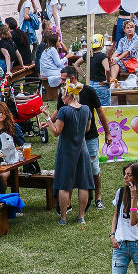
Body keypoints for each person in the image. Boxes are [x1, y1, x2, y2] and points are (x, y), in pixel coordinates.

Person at [40, 82, 96, 225]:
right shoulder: (86, 109)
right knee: (83, 183)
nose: (61, 98)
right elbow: (87, 129)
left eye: (62, 95)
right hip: (82, 149)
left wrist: (47, 117)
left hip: (67, 150)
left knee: (64, 184)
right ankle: (81, 216)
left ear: (69, 96)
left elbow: (56, 132)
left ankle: (63, 218)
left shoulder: (64, 111)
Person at [56, 66, 110, 209]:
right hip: (71, 139)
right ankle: (67, 203)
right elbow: (59, 111)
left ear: (72, 78)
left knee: (93, 168)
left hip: (89, 138)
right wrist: (48, 120)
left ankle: (98, 198)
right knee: (71, 169)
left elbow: (100, 112)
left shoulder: (89, 91)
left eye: (63, 79)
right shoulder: (63, 93)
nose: (61, 82)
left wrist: (108, 132)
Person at [109, 21, 138, 85]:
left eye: (131, 27)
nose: (130, 29)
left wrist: (117, 59)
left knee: (116, 62)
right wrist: (113, 57)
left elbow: (128, 51)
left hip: (134, 62)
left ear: (134, 29)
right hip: (125, 61)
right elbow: (118, 51)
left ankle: (113, 81)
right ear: (124, 30)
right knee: (112, 62)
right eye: (127, 28)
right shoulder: (122, 40)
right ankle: (113, 81)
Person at [86, 34, 111, 106]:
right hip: (101, 85)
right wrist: (108, 81)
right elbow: (107, 69)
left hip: (90, 84)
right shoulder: (102, 56)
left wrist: (84, 75)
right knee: (104, 108)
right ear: (102, 43)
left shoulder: (88, 55)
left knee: (92, 106)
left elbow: (76, 64)